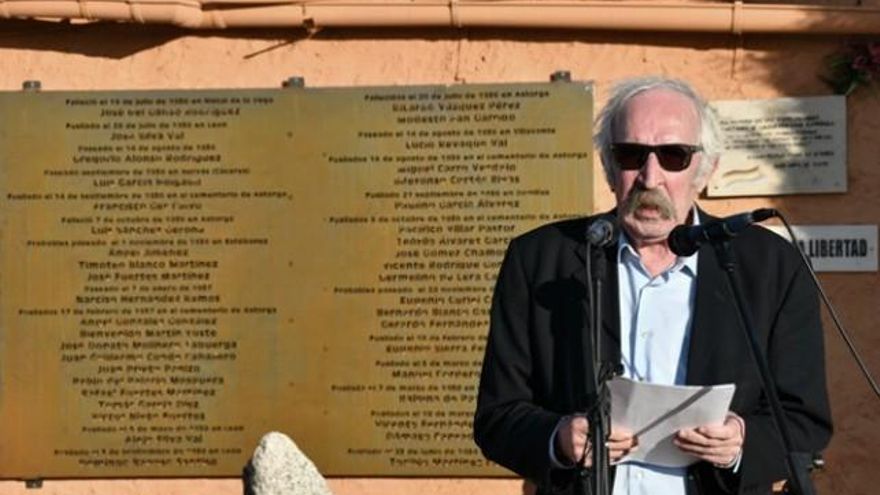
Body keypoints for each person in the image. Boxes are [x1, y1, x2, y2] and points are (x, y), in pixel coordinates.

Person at [473, 76, 832, 495]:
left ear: (706, 166)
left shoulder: (769, 265)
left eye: (673, 155)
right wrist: (557, 438)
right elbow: (497, 417)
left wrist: (739, 440)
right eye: (630, 155)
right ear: (609, 166)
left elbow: (805, 420)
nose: (650, 176)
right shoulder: (539, 260)